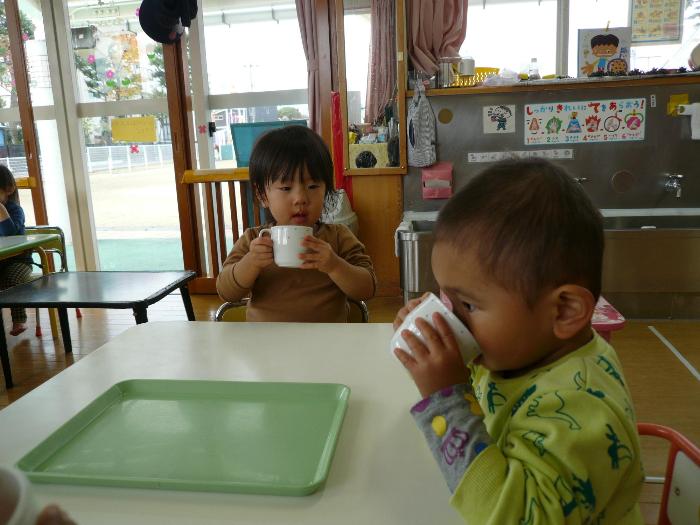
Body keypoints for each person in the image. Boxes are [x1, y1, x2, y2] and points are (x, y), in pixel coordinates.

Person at [393, 159, 644, 524]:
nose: (451, 316)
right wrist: (437, 352)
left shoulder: (580, 410)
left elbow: (520, 517)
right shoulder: (523, 350)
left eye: (468, 304)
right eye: (445, 299)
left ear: (563, 312)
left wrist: (445, 400)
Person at [216, 125, 376, 322]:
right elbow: (226, 292)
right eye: (285, 187)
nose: (300, 198)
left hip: (328, 345)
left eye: (313, 186)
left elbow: (367, 289)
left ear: (326, 191)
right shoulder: (254, 241)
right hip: (266, 346)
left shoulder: (337, 237)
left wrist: (334, 265)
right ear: (262, 195)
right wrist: (251, 262)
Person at [0, 165, 33, 336]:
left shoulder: (15, 210)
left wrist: (2, 211)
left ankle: (19, 320)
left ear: (9, 189)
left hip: (20, 262)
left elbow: (10, 233)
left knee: (11, 280)